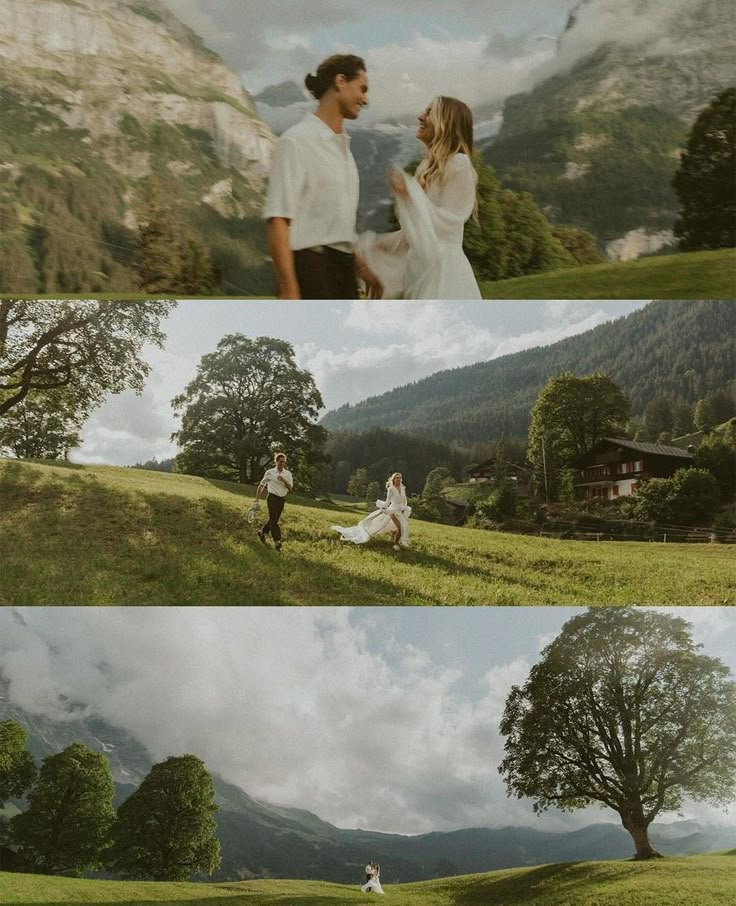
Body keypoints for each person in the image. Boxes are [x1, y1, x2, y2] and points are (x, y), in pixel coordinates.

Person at [263, 54, 383, 300]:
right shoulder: (296, 141)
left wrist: (363, 271)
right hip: (311, 268)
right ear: (340, 81)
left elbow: (335, 228)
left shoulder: (344, 150)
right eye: (362, 89)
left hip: (343, 271)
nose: (365, 99)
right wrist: (288, 289)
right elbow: (278, 220)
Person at [356, 96, 481, 299]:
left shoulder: (459, 164)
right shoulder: (424, 168)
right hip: (420, 271)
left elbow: (448, 221)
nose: (420, 117)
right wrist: (373, 245)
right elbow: (411, 235)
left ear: (445, 122)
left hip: (444, 273)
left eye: (429, 112)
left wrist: (410, 195)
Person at [332, 473, 411, 550]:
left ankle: (392, 539)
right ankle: (396, 544)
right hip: (392, 511)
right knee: (400, 527)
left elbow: (404, 500)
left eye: (400, 478)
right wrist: (383, 507)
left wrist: (404, 507)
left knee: (396, 526)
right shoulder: (391, 489)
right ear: (394, 479)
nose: (398, 479)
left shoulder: (402, 488)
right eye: (397, 478)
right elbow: (388, 501)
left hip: (401, 510)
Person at [256, 452, 293, 550]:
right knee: (273, 519)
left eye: (284, 462)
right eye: (280, 461)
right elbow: (262, 485)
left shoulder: (288, 474)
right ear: (276, 462)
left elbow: (290, 490)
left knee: (274, 519)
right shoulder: (270, 472)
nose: (282, 464)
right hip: (272, 498)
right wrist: (257, 499)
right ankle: (277, 541)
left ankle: (262, 532)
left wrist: (284, 480)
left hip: (281, 499)